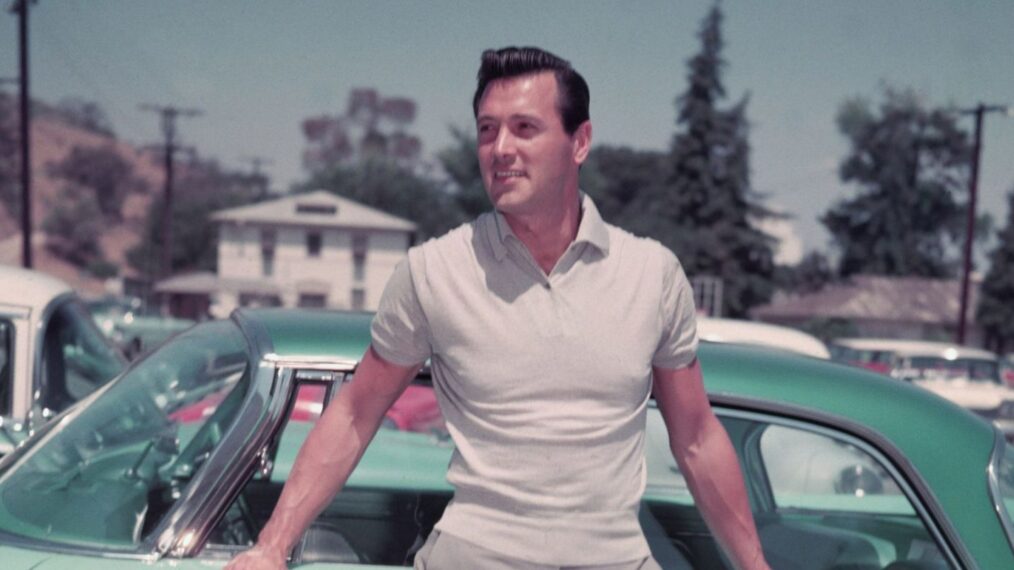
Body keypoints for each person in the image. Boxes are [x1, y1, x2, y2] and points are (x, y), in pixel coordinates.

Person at [226, 46, 770, 570]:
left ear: (579, 142)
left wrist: (756, 566)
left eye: (524, 128)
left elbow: (697, 438)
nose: (500, 148)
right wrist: (272, 547)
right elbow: (352, 414)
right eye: (488, 130)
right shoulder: (432, 272)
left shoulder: (653, 275)